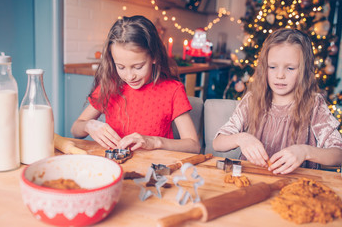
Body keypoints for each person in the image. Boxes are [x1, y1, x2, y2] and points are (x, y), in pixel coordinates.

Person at [213, 28, 342, 174]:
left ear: (304, 71)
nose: (280, 75)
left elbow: (338, 155)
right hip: (252, 182)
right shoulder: (253, 99)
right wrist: (241, 138)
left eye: (290, 68)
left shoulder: (314, 104)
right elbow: (218, 143)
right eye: (272, 67)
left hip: (297, 186)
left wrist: (305, 151)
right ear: (264, 68)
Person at [71, 15, 200, 154]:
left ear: (154, 56)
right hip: (115, 166)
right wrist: (88, 126)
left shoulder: (172, 90)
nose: (129, 76)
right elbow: (76, 130)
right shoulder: (111, 85)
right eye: (120, 67)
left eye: (138, 67)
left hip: (153, 169)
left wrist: (155, 141)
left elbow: (193, 145)